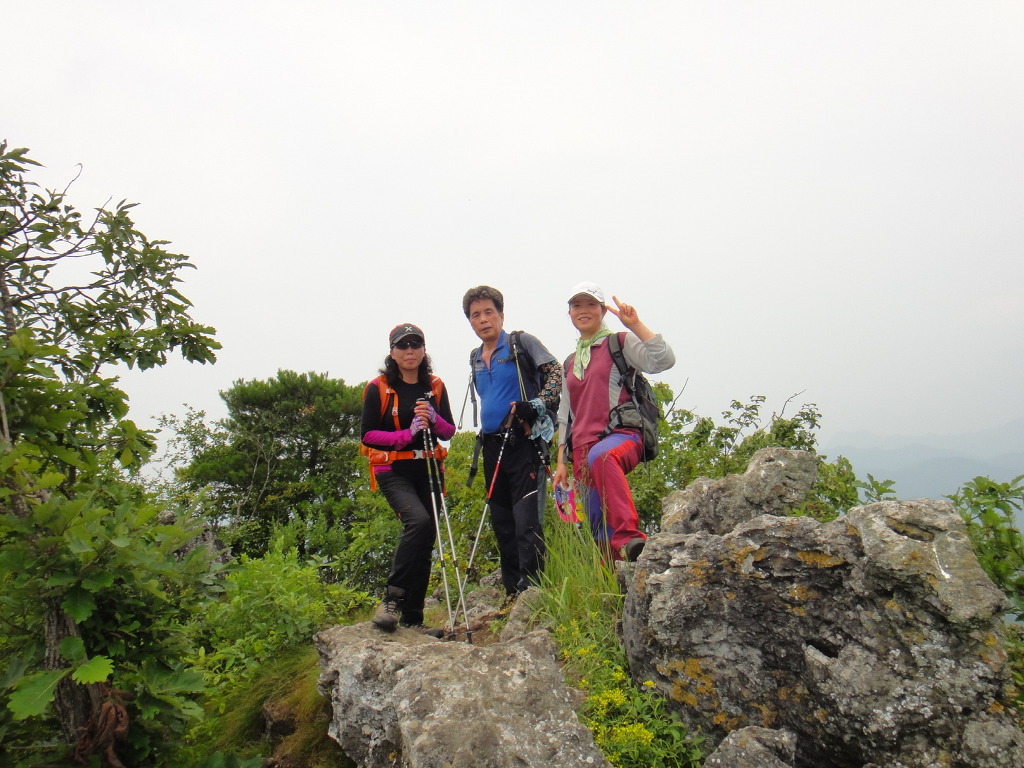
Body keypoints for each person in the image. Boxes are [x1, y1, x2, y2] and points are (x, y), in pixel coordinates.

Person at [553, 282, 675, 562]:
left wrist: (636, 325)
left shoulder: (618, 342)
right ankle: (613, 578)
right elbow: (565, 414)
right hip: (581, 449)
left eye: (590, 304)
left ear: (602, 310)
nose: (583, 310)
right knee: (597, 522)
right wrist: (561, 461)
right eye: (577, 305)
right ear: (570, 313)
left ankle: (630, 536)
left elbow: (664, 360)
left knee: (604, 456)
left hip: (621, 435)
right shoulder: (571, 362)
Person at [463, 286, 562, 601]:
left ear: (501, 315)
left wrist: (536, 405)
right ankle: (511, 592)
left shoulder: (521, 343)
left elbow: (555, 373)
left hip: (523, 441)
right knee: (502, 520)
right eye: (475, 315)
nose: (483, 319)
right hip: (491, 445)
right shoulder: (475, 358)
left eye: (488, 312)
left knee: (525, 520)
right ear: (470, 321)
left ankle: (532, 590)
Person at [362, 323, 456, 635]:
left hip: (428, 468)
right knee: (418, 522)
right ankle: (392, 600)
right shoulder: (378, 388)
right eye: (402, 345)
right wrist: (407, 433)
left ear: (424, 350)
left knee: (426, 537)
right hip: (393, 470)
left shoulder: (435, 386)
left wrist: (434, 418)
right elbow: (368, 434)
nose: (409, 351)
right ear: (392, 352)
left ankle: (413, 619)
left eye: (415, 344)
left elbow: (448, 431)